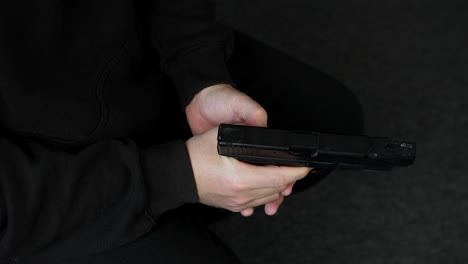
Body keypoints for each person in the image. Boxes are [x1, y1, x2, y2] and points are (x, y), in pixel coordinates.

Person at [0, 0, 364, 263]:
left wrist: (201, 76)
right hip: (37, 193)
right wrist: (171, 177)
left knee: (329, 121)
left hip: (130, 65)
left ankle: (166, 217)